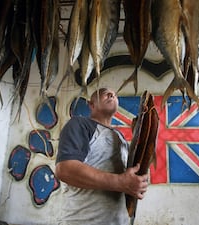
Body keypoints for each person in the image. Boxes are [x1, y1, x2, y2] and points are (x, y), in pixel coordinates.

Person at [55, 87, 149, 225]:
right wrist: (121, 182)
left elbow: (131, 177)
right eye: (105, 93)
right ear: (91, 104)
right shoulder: (80, 124)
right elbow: (65, 169)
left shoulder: (120, 136)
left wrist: (141, 140)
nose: (112, 94)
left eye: (115, 95)